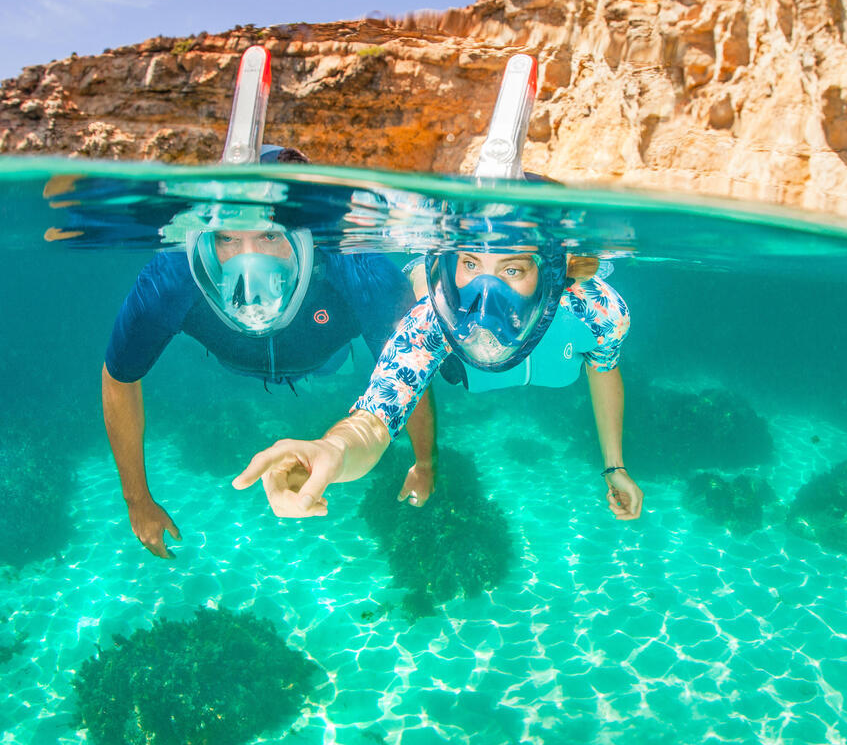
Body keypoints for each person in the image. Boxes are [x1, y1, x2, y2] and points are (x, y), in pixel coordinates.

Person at [102, 146, 436, 559]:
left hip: (326, 351)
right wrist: (137, 500)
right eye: (226, 238)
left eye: (270, 235)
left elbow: (408, 369)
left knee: (403, 329)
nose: (248, 260)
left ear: (305, 231)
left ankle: (422, 283)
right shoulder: (173, 275)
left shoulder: (356, 263)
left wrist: (425, 462)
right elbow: (119, 376)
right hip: (234, 361)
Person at [232, 210, 644, 523]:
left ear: (554, 272)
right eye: (469, 264)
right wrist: (334, 450)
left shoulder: (599, 311)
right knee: (411, 304)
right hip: (460, 363)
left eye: (513, 269)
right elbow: (378, 414)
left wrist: (616, 466)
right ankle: (420, 275)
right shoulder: (433, 320)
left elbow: (603, 370)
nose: (486, 293)